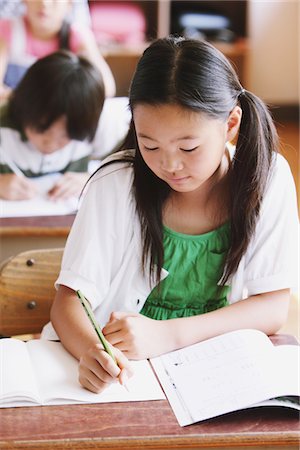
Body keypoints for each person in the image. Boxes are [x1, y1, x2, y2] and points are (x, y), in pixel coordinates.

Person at [45, 36, 298, 393]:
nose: (169, 164)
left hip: (221, 374)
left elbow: (271, 308)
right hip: (128, 379)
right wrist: (91, 353)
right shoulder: (115, 182)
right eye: (149, 144)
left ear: (230, 124)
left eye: (188, 146)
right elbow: (70, 300)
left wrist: (168, 335)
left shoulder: (267, 178)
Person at [0, 50, 104, 201]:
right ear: (23, 106)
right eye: (42, 129)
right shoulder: (4, 125)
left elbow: (130, 166)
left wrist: (92, 179)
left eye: (67, 135)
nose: (50, 143)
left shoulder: (89, 124)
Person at [0, 0, 115, 100]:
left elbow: (106, 87)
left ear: (69, 4)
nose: (44, 3)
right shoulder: (7, 30)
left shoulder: (77, 36)